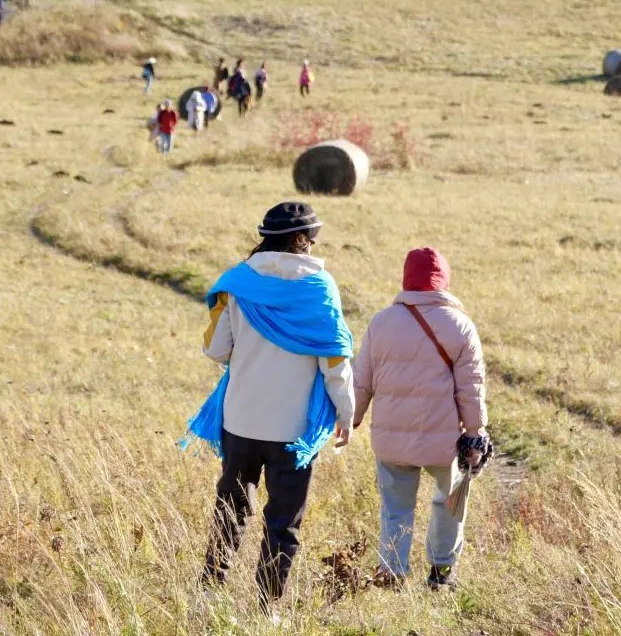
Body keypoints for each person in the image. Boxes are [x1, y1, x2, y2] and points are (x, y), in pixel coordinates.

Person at [183, 203, 354, 613]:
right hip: (293, 430)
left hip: (240, 419)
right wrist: (346, 414)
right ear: (306, 240)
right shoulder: (320, 289)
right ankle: (266, 608)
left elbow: (215, 348)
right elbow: (335, 361)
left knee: (230, 511)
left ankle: (208, 594)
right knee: (283, 524)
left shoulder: (236, 284)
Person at [352, 247, 488, 592]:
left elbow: (361, 380)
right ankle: (441, 575)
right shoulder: (460, 325)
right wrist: (475, 432)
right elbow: (471, 388)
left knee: (395, 509)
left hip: (391, 440)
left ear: (406, 278)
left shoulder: (381, 322)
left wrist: (350, 420)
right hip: (446, 443)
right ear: (443, 280)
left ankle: (392, 574)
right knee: (449, 504)